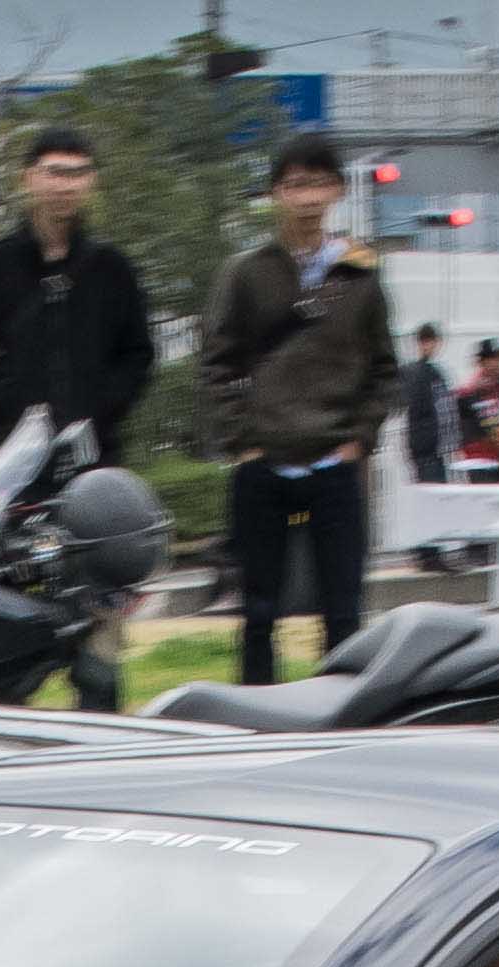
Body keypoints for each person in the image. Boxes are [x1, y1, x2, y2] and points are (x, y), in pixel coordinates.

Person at [0, 128, 158, 711]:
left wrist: (98, 410)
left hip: (97, 488)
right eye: (55, 171)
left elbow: (139, 356)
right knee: (7, 645)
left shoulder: (111, 268)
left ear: (92, 183)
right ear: (28, 179)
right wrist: (15, 409)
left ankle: (100, 759)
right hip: (15, 484)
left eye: (79, 172)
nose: (66, 184)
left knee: (99, 662)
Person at [203, 133, 397, 688]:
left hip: (335, 462)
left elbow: (383, 368)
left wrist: (358, 438)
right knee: (258, 613)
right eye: (293, 184)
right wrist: (244, 439)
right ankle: (256, 722)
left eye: (317, 183)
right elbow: (216, 362)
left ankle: (342, 721)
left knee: (343, 612)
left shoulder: (360, 273)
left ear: (335, 190)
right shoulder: (246, 272)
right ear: (274, 194)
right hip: (264, 463)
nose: (306, 197)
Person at [455, 340, 499, 479]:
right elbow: (487, 422)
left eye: (496, 359)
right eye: (491, 359)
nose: (495, 363)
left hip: (495, 457)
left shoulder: (498, 386)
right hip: (479, 458)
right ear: (482, 362)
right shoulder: (475, 388)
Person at [399, 322, 459, 484]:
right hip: (426, 447)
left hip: (432, 447)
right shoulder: (416, 373)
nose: (429, 346)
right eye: (425, 341)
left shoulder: (434, 373)